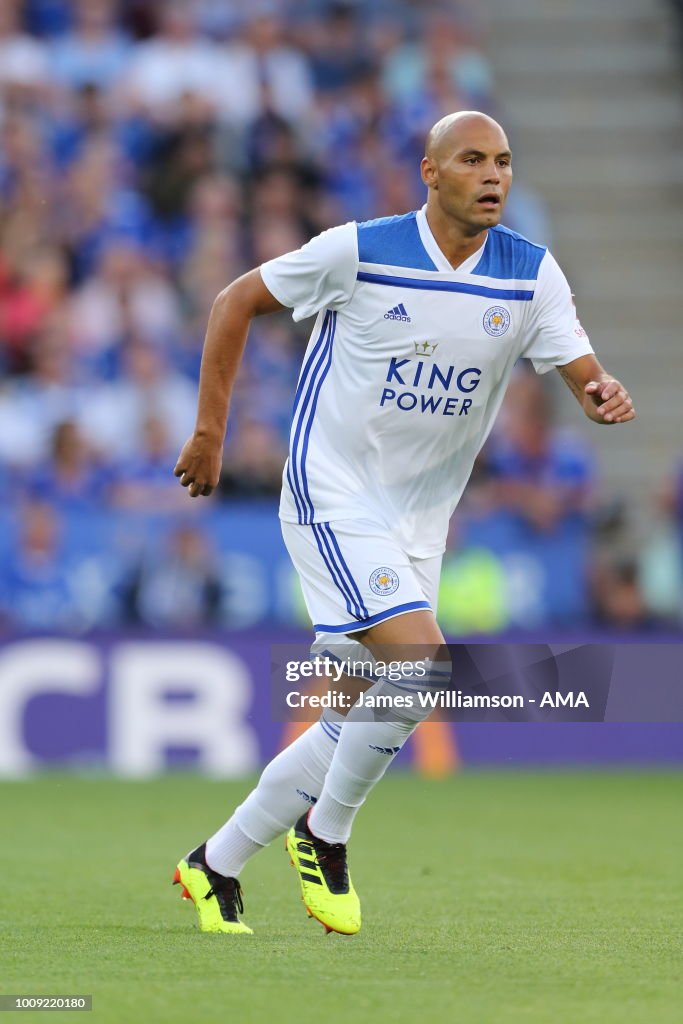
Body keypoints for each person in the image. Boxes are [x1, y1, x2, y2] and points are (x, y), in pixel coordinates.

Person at [171, 111, 635, 936]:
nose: (492, 175)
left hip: (420, 518)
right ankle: (325, 834)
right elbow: (234, 300)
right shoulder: (361, 250)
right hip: (333, 493)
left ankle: (216, 861)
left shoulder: (528, 274)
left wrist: (601, 395)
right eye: (471, 160)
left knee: (357, 711)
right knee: (421, 666)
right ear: (430, 173)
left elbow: (583, 373)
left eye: (503, 161)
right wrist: (210, 430)